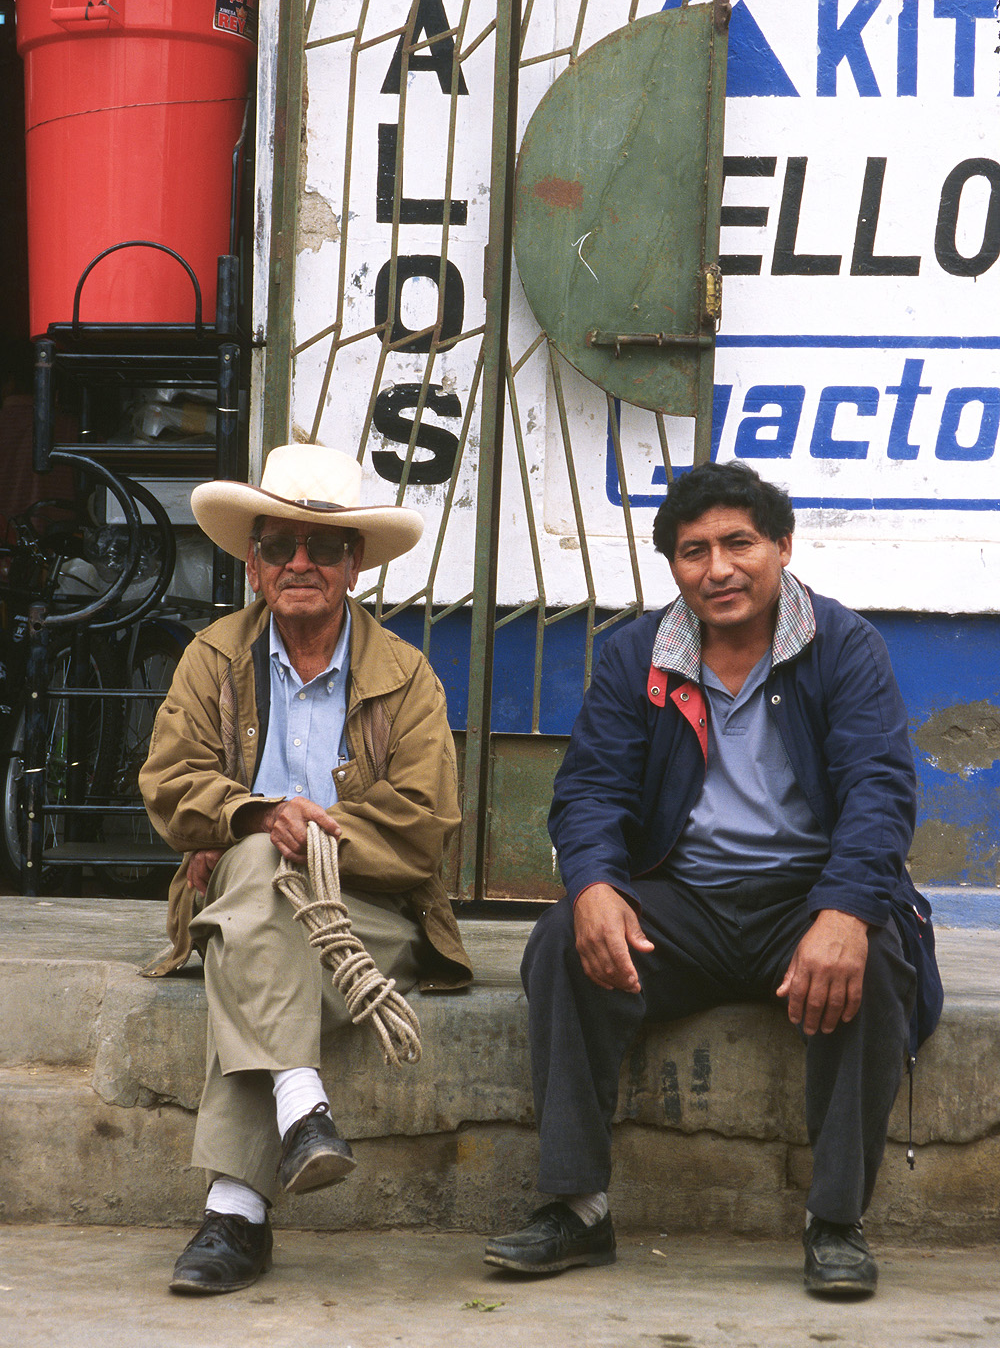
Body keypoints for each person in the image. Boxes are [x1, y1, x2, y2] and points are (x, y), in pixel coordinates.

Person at [484, 460, 941, 1297]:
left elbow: (881, 789)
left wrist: (845, 909)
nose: (719, 568)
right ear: (674, 568)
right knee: (560, 942)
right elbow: (589, 790)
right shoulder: (636, 656)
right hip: (683, 904)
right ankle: (578, 1209)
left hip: (803, 899)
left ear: (783, 547)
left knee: (874, 957)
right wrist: (591, 885)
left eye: (740, 542)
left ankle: (835, 1221)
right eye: (694, 551)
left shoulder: (843, 646)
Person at [139, 444, 471, 1296]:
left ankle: (233, 1214)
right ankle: (301, 1105)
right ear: (253, 565)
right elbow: (169, 785)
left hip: (366, 913)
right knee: (253, 861)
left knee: (252, 930)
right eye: (280, 546)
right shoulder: (214, 657)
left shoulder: (408, 678)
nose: (300, 564)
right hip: (243, 893)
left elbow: (423, 827)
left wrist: (316, 835)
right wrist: (257, 815)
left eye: (324, 548)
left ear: (353, 565)